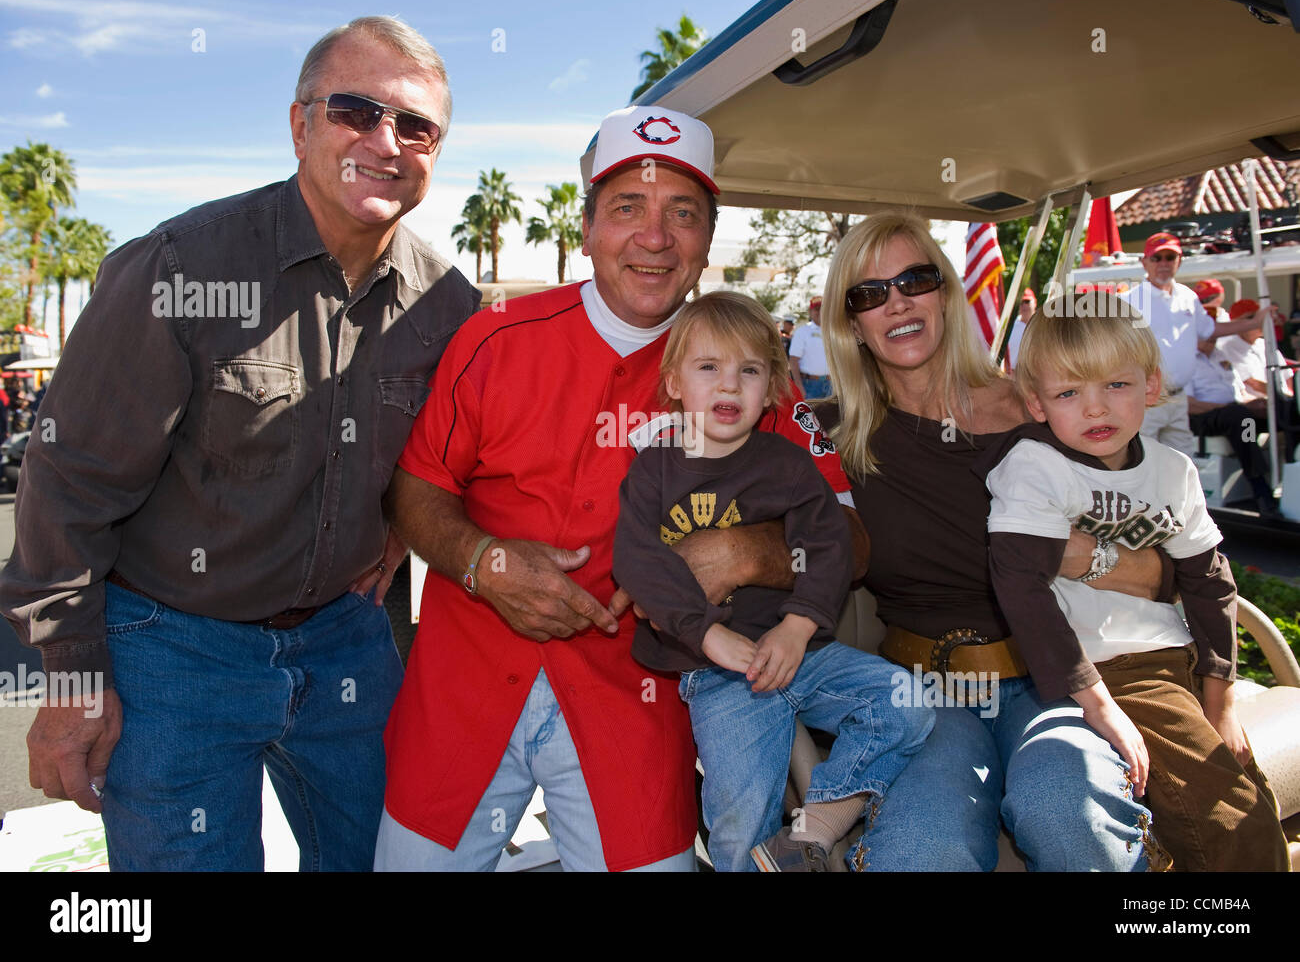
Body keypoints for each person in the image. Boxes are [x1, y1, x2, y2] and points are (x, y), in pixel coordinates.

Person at [0, 16, 480, 871]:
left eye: (415, 125)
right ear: (299, 123)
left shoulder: (449, 306)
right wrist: (73, 680)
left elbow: (452, 454)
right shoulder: (178, 267)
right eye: (356, 111)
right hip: (172, 653)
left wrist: (405, 522)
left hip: (349, 643)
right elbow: (68, 481)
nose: (384, 140)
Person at [375, 105, 866, 872]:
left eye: (682, 213)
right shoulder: (494, 336)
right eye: (628, 207)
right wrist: (485, 562)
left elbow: (850, 536)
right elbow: (417, 488)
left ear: (707, 239)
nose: (654, 235)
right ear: (588, 226)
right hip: (462, 692)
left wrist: (741, 550)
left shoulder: (748, 365)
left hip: (638, 708)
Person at [819, 212, 1169, 871]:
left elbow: (1159, 570)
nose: (896, 301)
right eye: (869, 293)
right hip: (921, 693)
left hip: (1054, 676)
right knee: (922, 850)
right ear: (850, 323)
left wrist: (1073, 553)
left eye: (914, 279)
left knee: (1070, 812)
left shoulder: (1042, 411)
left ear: (947, 293)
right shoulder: (832, 436)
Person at [612, 291, 933, 872]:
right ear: (675, 383)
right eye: (709, 368)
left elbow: (831, 544)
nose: (730, 386)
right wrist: (708, 636)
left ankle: (811, 832)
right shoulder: (653, 468)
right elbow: (638, 564)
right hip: (717, 671)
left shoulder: (785, 463)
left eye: (750, 371)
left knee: (907, 704)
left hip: (800, 651)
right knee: (740, 811)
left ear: (773, 389)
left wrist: (798, 623)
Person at [981, 301, 1289, 871]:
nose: (1095, 407)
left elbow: (1210, 582)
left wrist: (1220, 700)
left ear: (1150, 385)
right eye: (1068, 393)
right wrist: (1099, 705)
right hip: (1111, 668)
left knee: (1245, 792)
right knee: (1230, 820)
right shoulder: (1034, 468)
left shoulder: (1173, 470)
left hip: (1180, 660)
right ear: (1035, 403)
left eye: (1116, 384)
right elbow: (1020, 584)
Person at [1119, 233, 1264, 456]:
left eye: (1170, 257)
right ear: (1144, 262)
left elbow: (1210, 330)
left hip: (1178, 399)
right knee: (1143, 464)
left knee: (1182, 466)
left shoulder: (1188, 297)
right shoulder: (1129, 301)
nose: (1164, 264)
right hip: (1145, 400)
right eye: (1157, 258)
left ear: (1179, 261)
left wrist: (1253, 323)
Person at [1186, 336, 1279, 511]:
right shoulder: (1184, 361)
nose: (1211, 340)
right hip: (1202, 415)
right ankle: (1260, 488)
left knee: (1282, 411)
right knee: (1243, 420)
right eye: (1205, 335)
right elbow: (1188, 404)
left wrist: (1260, 403)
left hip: (1233, 412)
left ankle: (1287, 476)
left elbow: (1241, 392)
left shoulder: (1220, 356)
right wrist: (1234, 407)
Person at [789, 295, 832, 398]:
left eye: (823, 308)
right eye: (816, 309)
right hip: (809, 385)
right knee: (811, 414)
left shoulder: (833, 331)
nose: (820, 312)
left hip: (831, 384)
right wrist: (799, 386)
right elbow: (793, 360)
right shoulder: (802, 332)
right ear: (810, 312)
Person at [1005, 287, 1036, 369]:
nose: (1024, 305)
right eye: (1021, 302)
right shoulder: (1010, 327)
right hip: (1011, 375)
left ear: (1034, 303)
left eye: (1027, 301)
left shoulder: (1041, 326)